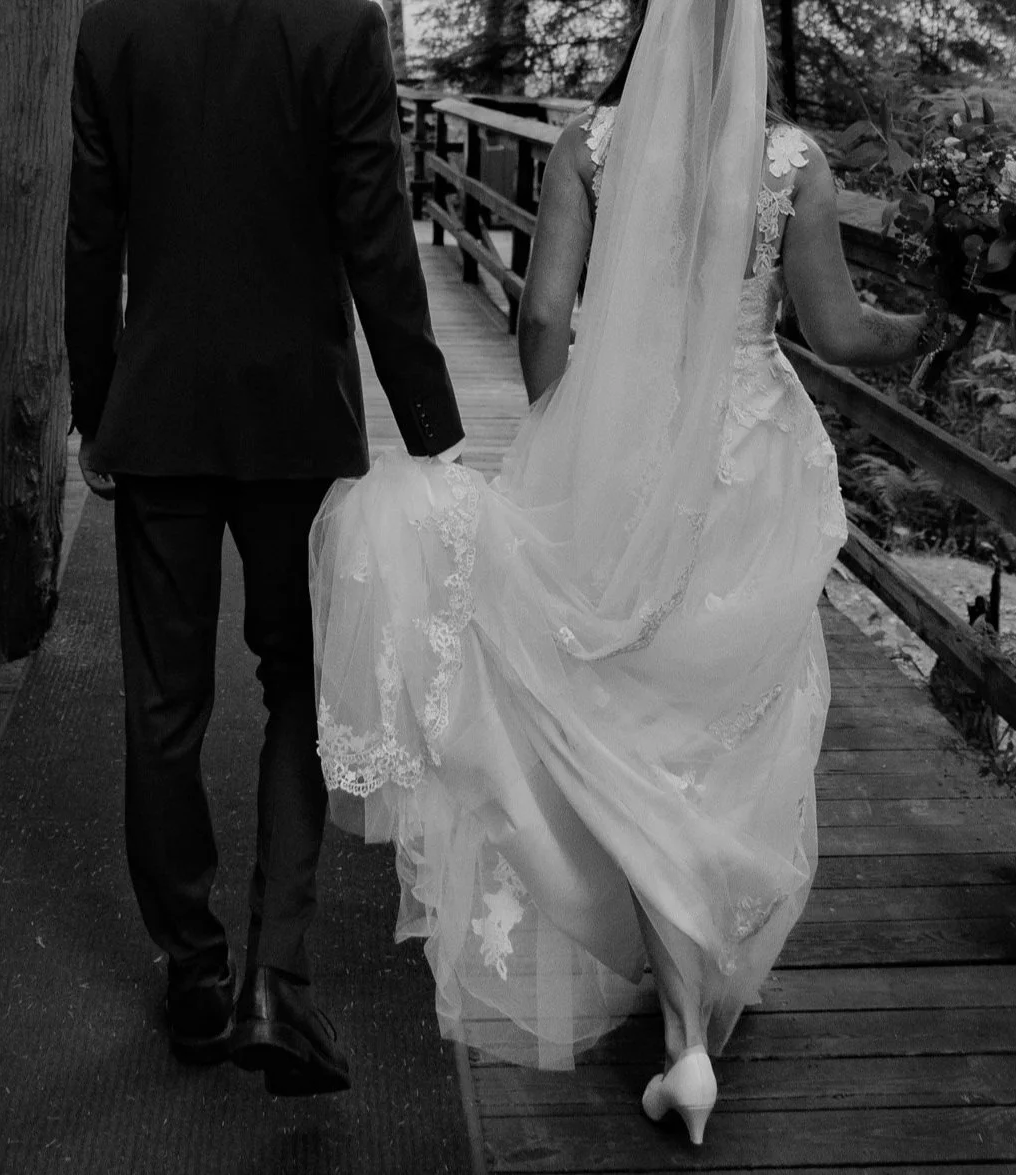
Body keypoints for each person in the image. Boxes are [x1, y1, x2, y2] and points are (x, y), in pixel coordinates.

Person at [308, 0, 941, 1143]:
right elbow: (841, 333)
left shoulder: (590, 150)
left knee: (621, 708)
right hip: (747, 456)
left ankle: (685, 1036)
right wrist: (936, 325)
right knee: (708, 724)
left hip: (622, 442)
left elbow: (543, 315)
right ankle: (687, 1025)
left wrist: (566, 428)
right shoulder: (790, 166)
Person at [64, 0, 465, 1097]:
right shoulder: (339, 25)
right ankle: (274, 976)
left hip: (160, 409)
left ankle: (194, 975)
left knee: (163, 699)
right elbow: (374, 229)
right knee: (298, 677)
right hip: (296, 413)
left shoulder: (114, 25)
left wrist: (97, 407)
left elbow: (92, 232)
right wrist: (429, 427)